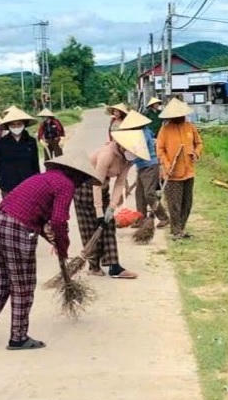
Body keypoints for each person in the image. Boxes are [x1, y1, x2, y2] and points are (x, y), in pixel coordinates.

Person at [0, 149, 101, 349]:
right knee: (23, 287)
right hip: (17, 232)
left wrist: (52, 241)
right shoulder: (66, 185)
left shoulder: (45, 178)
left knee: (2, 282)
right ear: (78, 174)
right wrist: (63, 248)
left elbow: (35, 214)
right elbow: (58, 220)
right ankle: (18, 338)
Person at [74, 129, 146, 278]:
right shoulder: (107, 154)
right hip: (85, 188)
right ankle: (93, 266)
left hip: (103, 188)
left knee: (109, 225)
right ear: (121, 145)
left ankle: (114, 267)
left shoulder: (128, 158)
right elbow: (96, 184)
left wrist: (112, 207)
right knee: (91, 228)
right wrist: (99, 212)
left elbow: (119, 183)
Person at [156, 98, 203, 240]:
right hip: (172, 174)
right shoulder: (165, 129)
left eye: (181, 115)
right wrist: (167, 163)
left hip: (188, 172)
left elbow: (199, 143)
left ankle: (181, 228)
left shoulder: (190, 127)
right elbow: (160, 149)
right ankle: (176, 230)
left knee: (187, 203)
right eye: (176, 116)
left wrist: (196, 153)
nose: (179, 117)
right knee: (174, 204)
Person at [117, 109, 169, 229]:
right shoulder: (140, 133)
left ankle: (164, 217)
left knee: (149, 194)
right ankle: (141, 219)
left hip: (150, 166)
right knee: (139, 194)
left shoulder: (143, 134)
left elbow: (135, 150)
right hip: (141, 167)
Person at [0, 108, 40, 199]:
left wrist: (38, 182)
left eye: (19, 124)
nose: (16, 127)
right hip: (8, 184)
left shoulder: (31, 142)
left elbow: (35, 163)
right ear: (8, 126)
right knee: (9, 211)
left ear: (24, 124)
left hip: (28, 183)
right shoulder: (1, 143)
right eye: (13, 124)